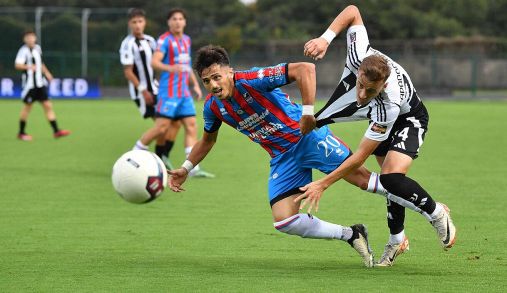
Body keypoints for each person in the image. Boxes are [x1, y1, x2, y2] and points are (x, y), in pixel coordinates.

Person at [167, 45, 418, 268]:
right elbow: (207, 140)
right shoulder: (213, 107)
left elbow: (305, 69)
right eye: (206, 82)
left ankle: (430, 207)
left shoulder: (252, 79)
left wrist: (308, 113)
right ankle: (351, 234)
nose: (212, 85)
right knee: (284, 219)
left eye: (216, 77)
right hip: (282, 157)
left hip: (308, 139)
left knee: (365, 182)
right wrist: (186, 168)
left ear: (229, 72)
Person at [301, 5, 456, 266]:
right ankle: (397, 241)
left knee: (391, 178)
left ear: (382, 86)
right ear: (359, 70)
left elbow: (360, 156)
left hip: (409, 118)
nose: (361, 95)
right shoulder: (358, 55)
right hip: (382, 117)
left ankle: (436, 213)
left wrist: (323, 183)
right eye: (360, 85)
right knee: (390, 184)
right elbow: (352, 10)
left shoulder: (388, 104)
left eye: (370, 91)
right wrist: (325, 39)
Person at [133, 8, 213, 177]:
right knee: (161, 128)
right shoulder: (164, 40)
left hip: (183, 93)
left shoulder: (186, 40)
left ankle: (192, 168)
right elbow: (154, 62)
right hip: (168, 92)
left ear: (185, 22)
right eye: (174, 19)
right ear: (169, 22)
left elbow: (186, 65)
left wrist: (195, 85)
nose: (177, 21)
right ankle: (135, 152)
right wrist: (170, 68)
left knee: (191, 126)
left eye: (180, 19)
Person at [119, 8, 180, 168]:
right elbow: (128, 72)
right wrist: (143, 90)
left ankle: (161, 158)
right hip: (142, 91)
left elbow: (158, 63)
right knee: (163, 125)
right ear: (129, 24)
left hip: (157, 88)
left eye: (140, 21)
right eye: (134, 22)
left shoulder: (150, 41)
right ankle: (135, 158)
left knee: (175, 123)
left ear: (144, 23)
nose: (137, 25)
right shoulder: (128, 44)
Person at [14, 31, 70, 141]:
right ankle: (21, 133)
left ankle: (56, 131)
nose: (30, 39)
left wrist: (47, 73)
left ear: (35, 38)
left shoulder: (37, 48)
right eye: (28, 38)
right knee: (27, 107)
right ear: (24, 39)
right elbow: (17, 65)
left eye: (32, 37)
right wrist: (29, 67)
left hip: (40, 84)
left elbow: (40, 63)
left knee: (48, 105)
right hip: (30, 85)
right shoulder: (23, 51)